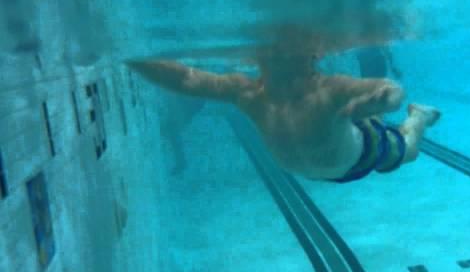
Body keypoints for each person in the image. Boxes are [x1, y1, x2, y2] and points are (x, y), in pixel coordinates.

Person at [128, 45, 440, 183]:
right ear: (259, 56)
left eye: (291, 53)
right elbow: (185, 79)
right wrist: (130, 57)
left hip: (362, 153)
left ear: (312, 57)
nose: (280, 56)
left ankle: (420, 116)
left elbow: (391, 90)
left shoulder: (330, 89)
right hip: (323, 163)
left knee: (409, 149)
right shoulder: (246, 93)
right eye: (272, 51)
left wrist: (381, 100)